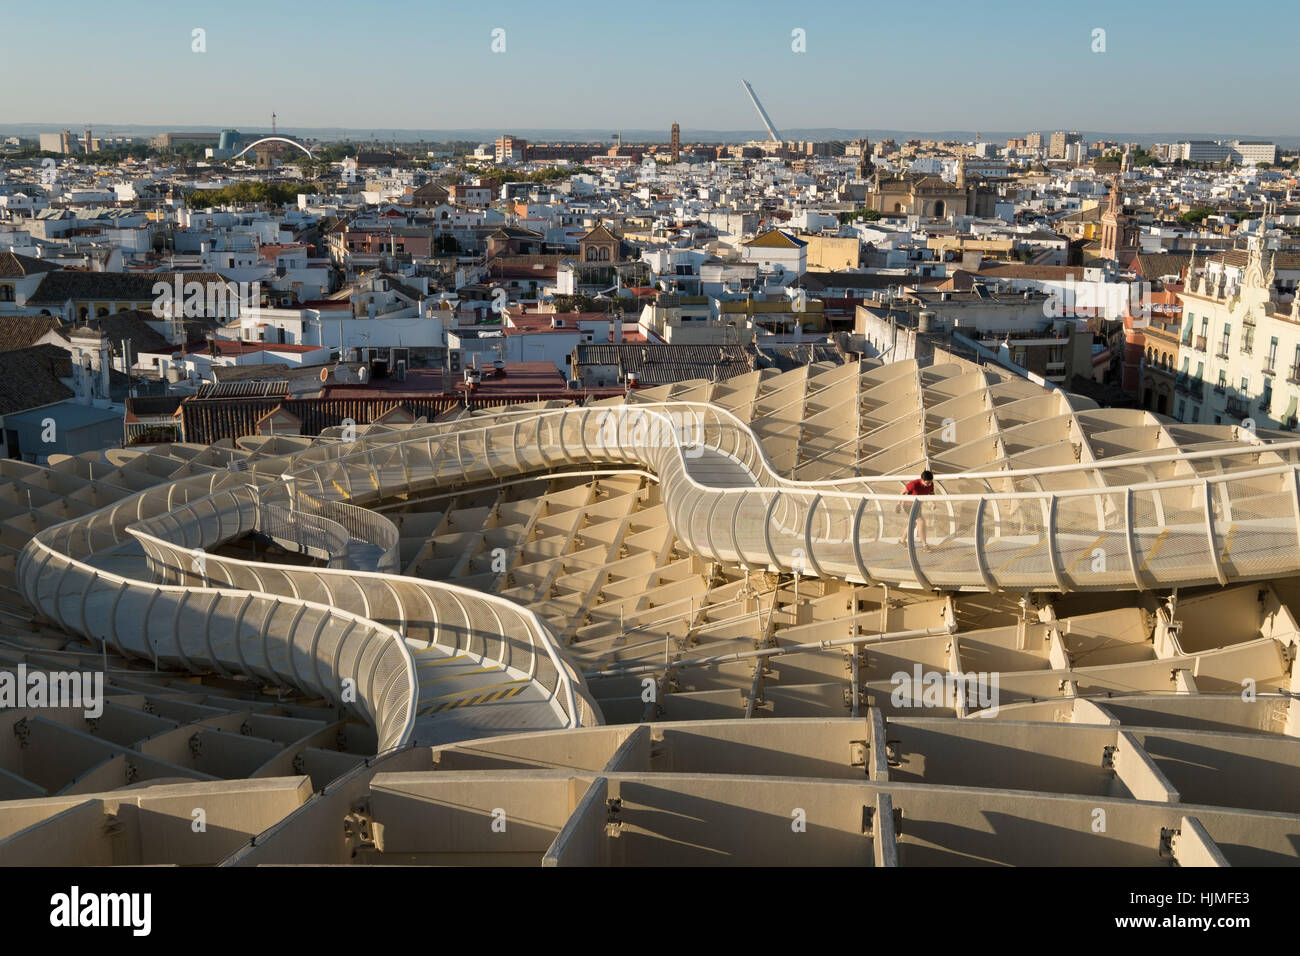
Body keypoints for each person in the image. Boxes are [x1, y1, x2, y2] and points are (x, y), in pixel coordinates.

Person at [897, 470, 935, 550]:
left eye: (930, 482)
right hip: (908, 505)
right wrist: (898, 504)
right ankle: (924, 545)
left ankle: (902, 540)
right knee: (921, 522)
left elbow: (931, 493)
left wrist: (934, 503)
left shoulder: (930, 484)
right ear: (922, 479)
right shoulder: (914, 484)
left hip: (918, 506)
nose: (929, 484)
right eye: (927, 483)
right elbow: (902, 492)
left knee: (913, 524)